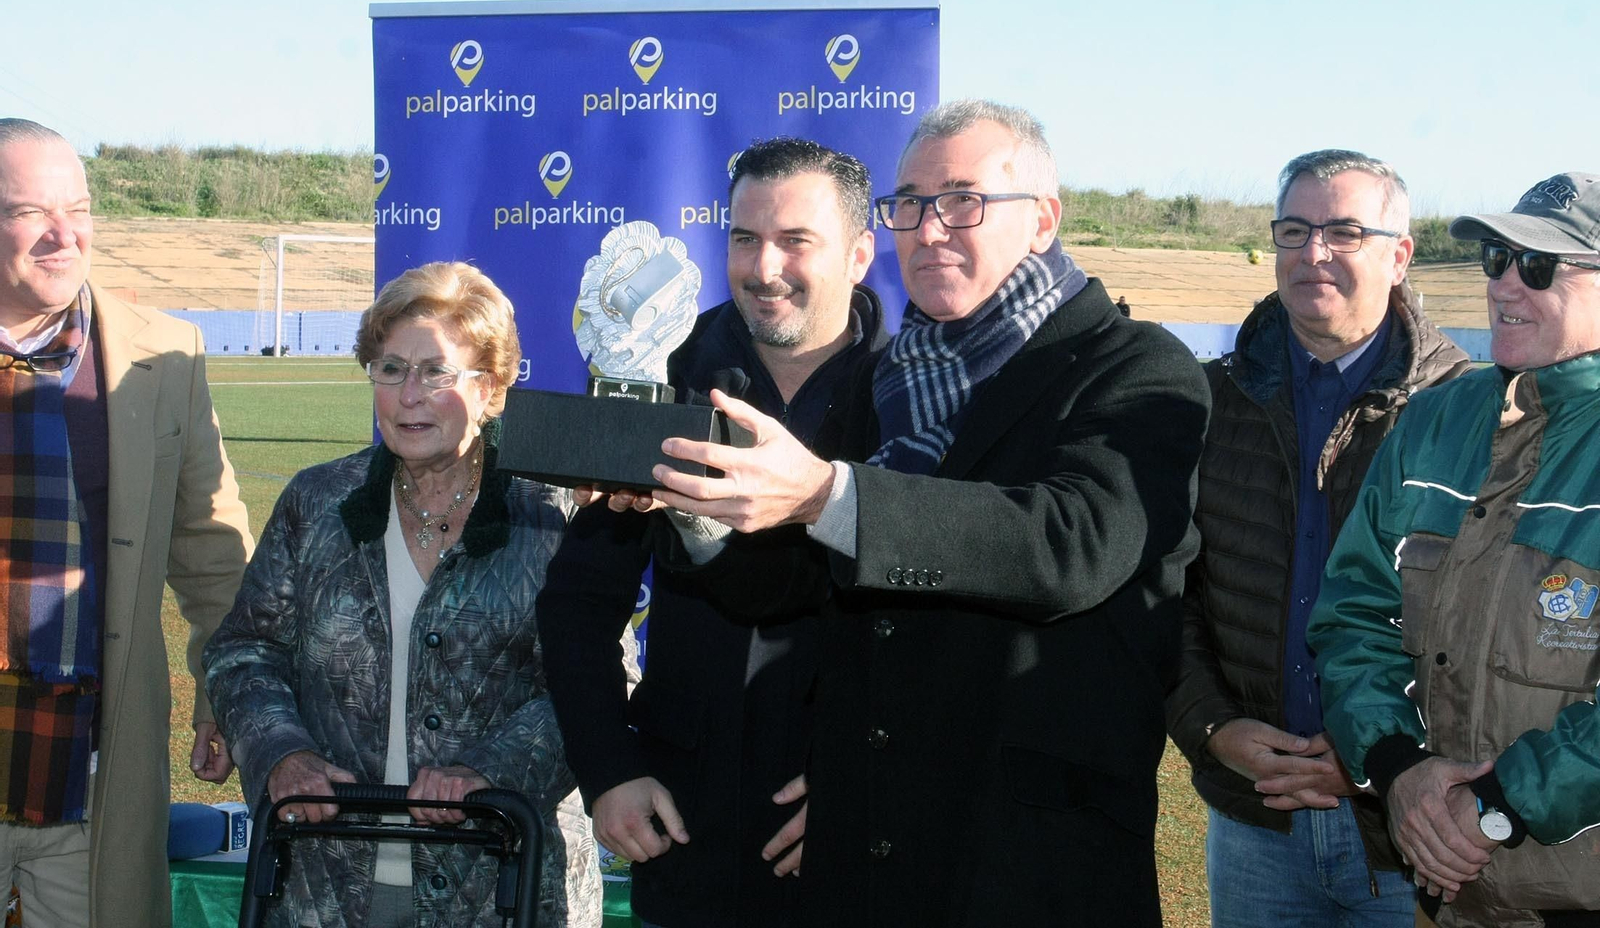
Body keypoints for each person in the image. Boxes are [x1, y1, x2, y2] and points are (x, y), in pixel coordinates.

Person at [644, 100, 1210, 926]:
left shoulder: (1138, 368)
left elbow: (1066, 545)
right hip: (873, 857)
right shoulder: (894, 381)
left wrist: (824, 493)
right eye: (909, 203)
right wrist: (698, 504)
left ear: (1043, 219)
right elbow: (800, 579)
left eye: (962, 200)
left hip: (1032, 870)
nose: (929, 227)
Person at [205, 261, 623, 927]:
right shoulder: (316, 503)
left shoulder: (553, 514)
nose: (408, 395)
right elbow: (245, 652)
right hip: (325, 885)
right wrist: (282, 751)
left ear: (490, 389)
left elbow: (602, 674)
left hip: (506, 884)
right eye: (391, 369)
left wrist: (490, 771)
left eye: (435, 372)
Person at [537, 136, 886, 928]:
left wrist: (868, 781)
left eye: (796, 240)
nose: (765, 267)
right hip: (688, 827)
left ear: (860, 253)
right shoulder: (663, 370)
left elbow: (944, 640)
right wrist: (609, 767)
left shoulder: (907, 394)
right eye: (744, 238)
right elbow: (579, 601)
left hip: (855, 839)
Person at [1165, 149, 1468, 926]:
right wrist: (1212, 726)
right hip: (1255, 822)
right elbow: (1169, 591)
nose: (1313, 253)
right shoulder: (1212, 399)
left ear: (1400, 255)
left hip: (1406, 830)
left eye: (1344, 232)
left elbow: (1484, 629)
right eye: (1294, 230)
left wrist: (1374, 750)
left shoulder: (1466, 410)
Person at [1309, 172, 1600, 927]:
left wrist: (1499, 805)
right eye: (1496, 258)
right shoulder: (1435, 419)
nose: (1504, 283)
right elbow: (1353, 611)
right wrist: (1398, 768)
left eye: (1538, 265)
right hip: (1451, 901)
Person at [0, 118, 252, 927]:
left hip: (88, 782)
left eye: (77, 209)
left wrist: (222, 691)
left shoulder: (165, 354)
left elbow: (213, 547)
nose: (63, 234)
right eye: (30, 212)